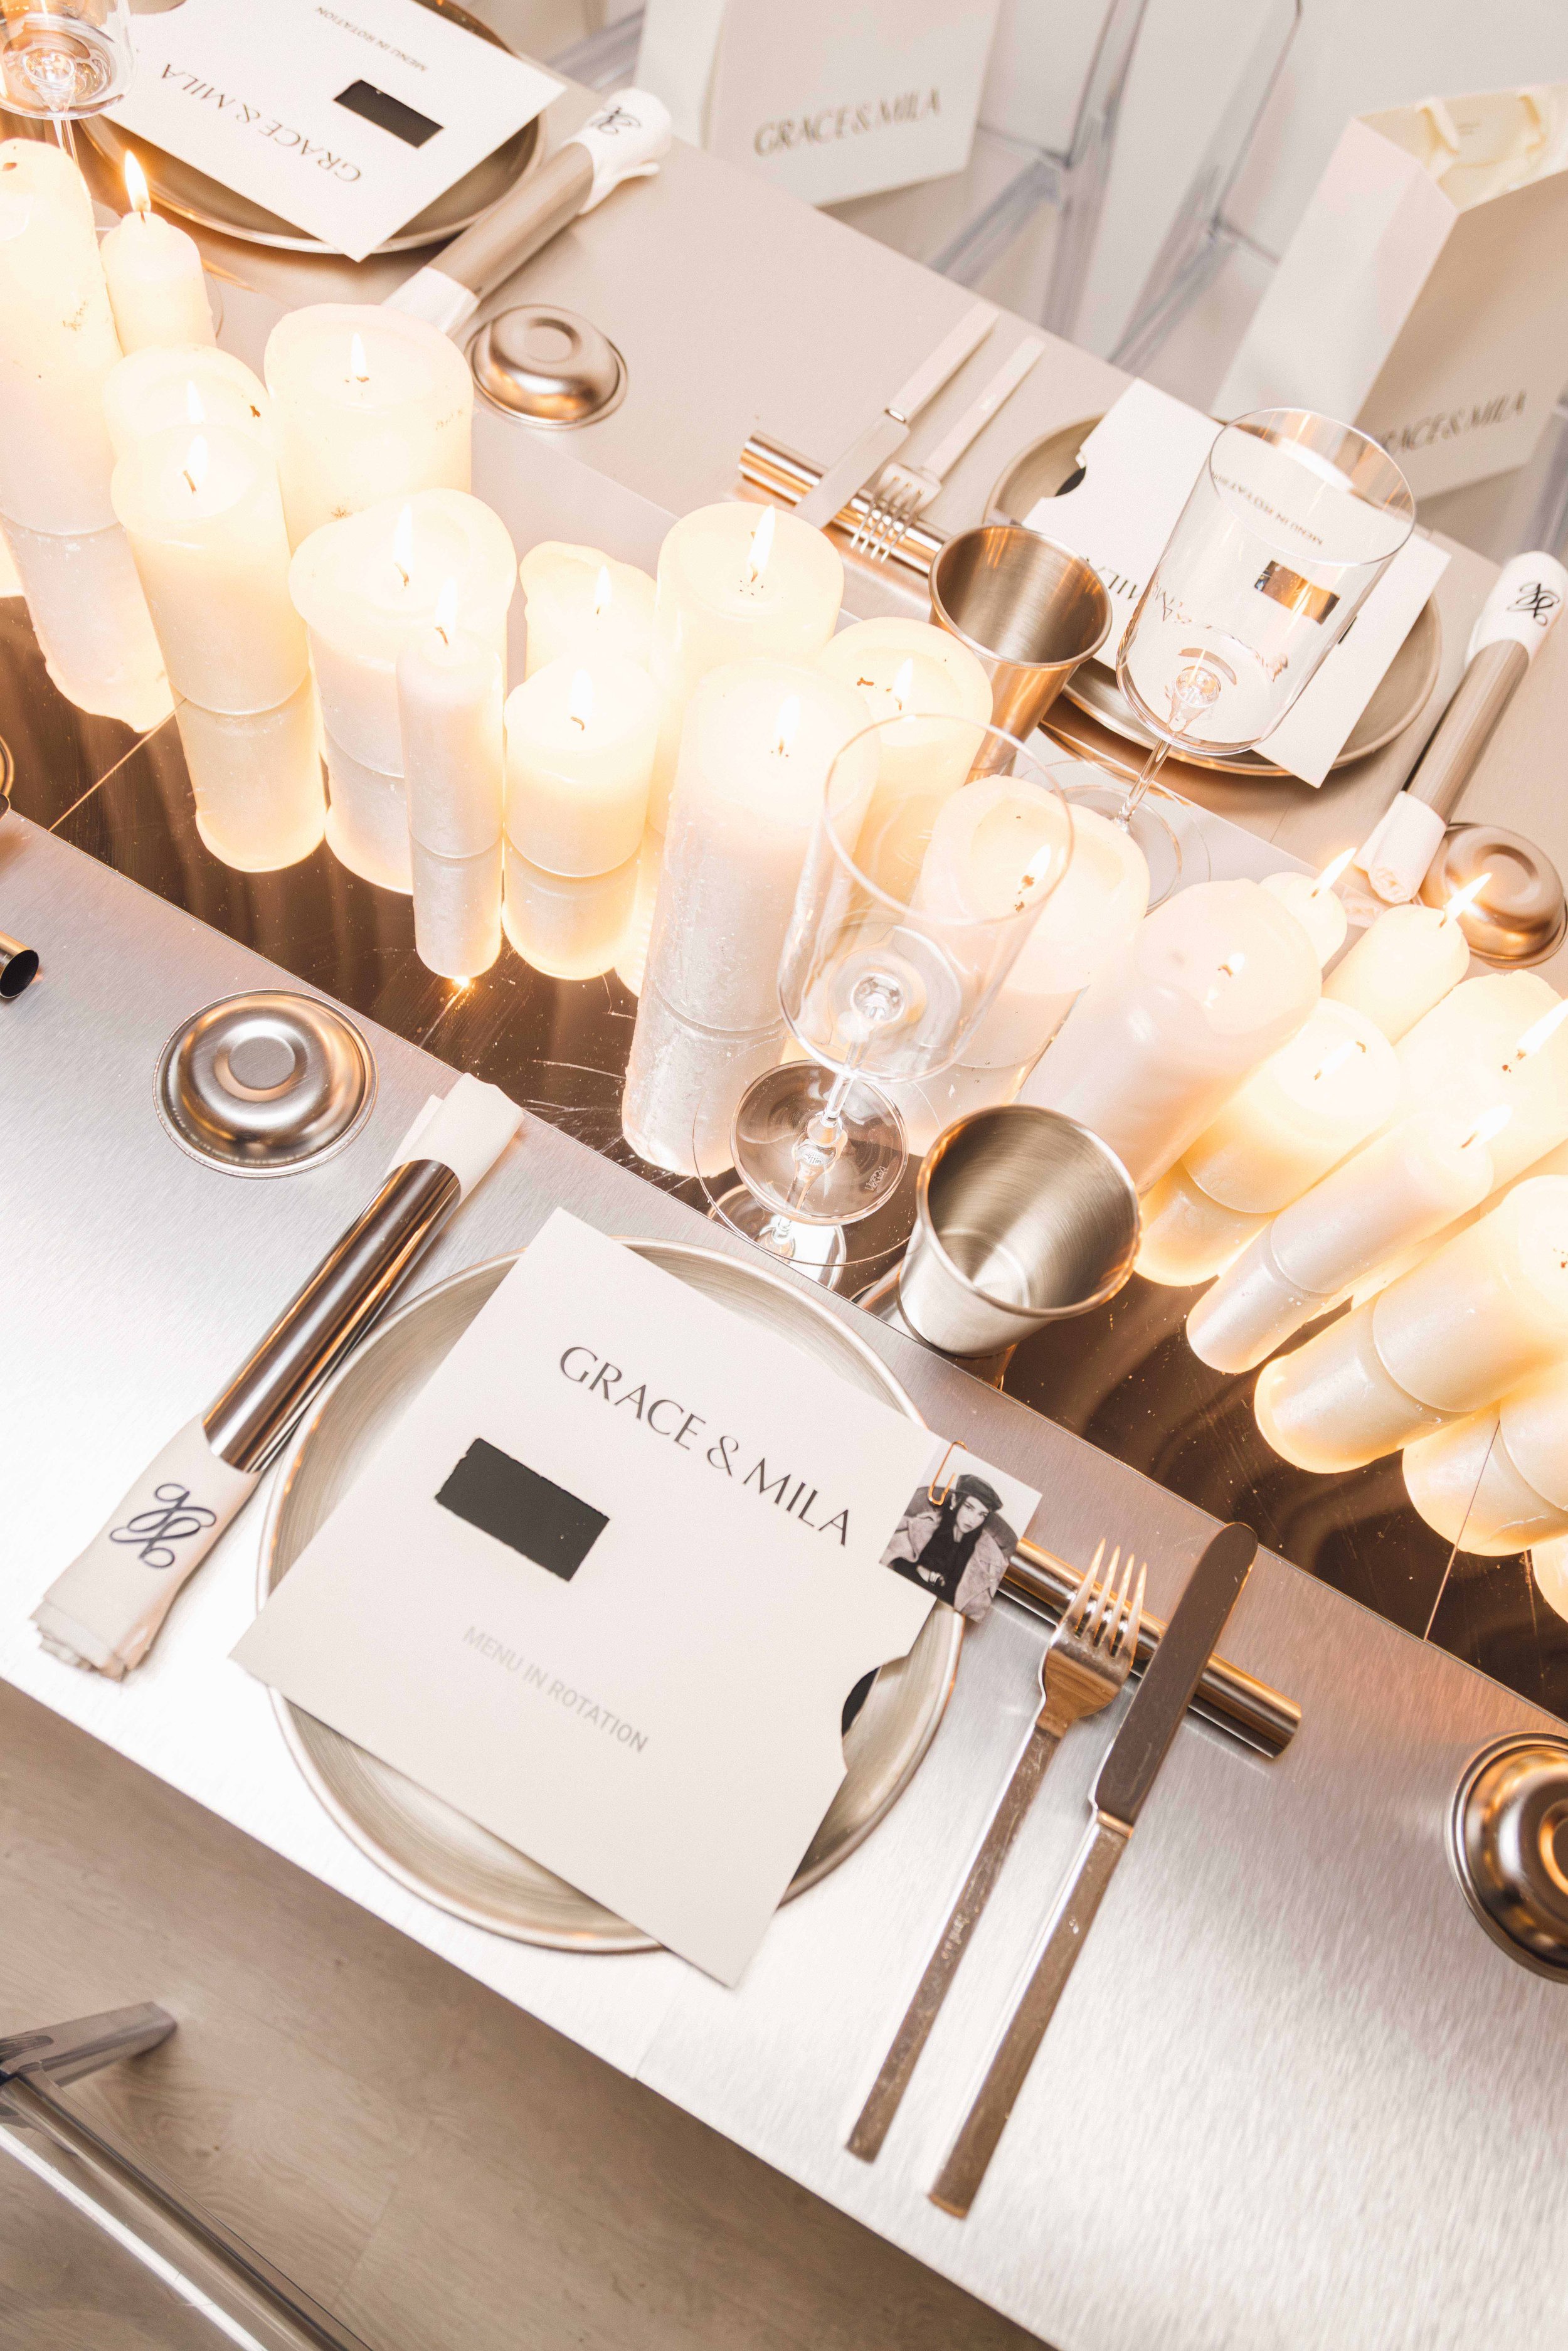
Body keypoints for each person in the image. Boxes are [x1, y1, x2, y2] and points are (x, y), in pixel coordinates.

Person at [880, 1473, 1015, 1616]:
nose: (973, 1520)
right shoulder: (924, 1528)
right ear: (955, 1501)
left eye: (982, 1515)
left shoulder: (989, 1555)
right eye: (969, 1508)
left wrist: (929, 1577)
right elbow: (893, 1562)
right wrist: (919, 1570)